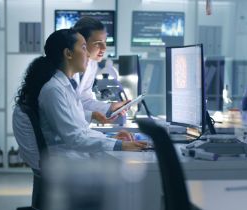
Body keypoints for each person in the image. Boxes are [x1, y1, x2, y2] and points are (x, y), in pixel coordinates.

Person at [13, 29, 147, 170]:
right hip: (64, 160)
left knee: (125, 163)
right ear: (68, 54)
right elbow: (75, 138)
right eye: (83, 48)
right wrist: (119, 145)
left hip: (69, 154)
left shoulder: (64, 85)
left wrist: (111, 139)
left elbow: (81, 130)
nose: (88, 54)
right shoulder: (54, 89)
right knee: (130, 169)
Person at [72, 17, 126, 124]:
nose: (104, 48)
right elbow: (68, 110)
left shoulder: (92, 64)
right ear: (82, 43)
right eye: (98, 43)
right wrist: (93, 115)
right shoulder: (65, 70)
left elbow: (84, 100)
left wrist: (110, 107)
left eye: (105, 42)